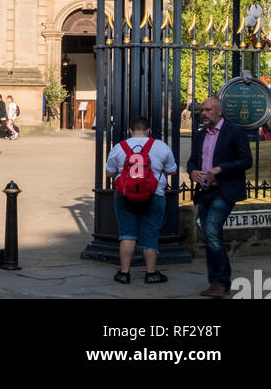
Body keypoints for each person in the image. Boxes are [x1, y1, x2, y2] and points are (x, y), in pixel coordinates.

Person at [187, 94, 252, 298]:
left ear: (219, 111)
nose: (203, 114)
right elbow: (191, 161)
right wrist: (192, 172)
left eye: (207, 110)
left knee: (212, 232)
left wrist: (220, 169)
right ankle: (217, 281)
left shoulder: (234, 131)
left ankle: (220, 282)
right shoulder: (200, 135)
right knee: (208, 234)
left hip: (225, 191)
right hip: (205, 190)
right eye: (202, 110)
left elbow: (246, 161)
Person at [105, 114, 177, 285]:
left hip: (125, 196)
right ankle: (151, 273)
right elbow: (172, 170)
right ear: (148, 130)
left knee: (127, 233)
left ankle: (124, 273)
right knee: (151, 232)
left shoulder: (119, 147)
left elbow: (109, 173)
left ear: (130, 130)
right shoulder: (161, 147)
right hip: (154, 195)